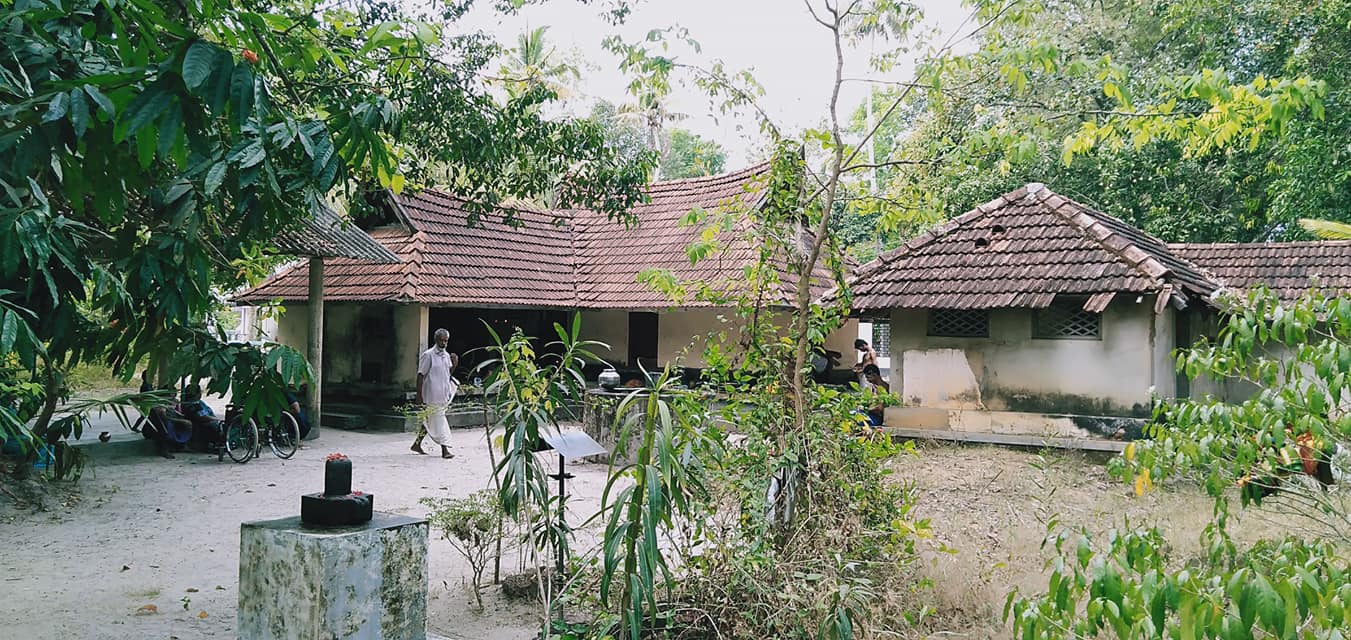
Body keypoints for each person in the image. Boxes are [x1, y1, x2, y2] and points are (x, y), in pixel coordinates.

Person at [410, 328, 459, 459]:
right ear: (436, 340)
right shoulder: (428, 355)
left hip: (443, 395)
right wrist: (419, 395)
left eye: (446, 341)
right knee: (440, 422)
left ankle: (416, 444)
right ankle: (445, 449)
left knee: (430, 421)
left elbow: (447, 374)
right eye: (441, 340)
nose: (444, 343)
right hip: (430, 396)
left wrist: (454, 364)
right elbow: (420, 375)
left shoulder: (446, 355)